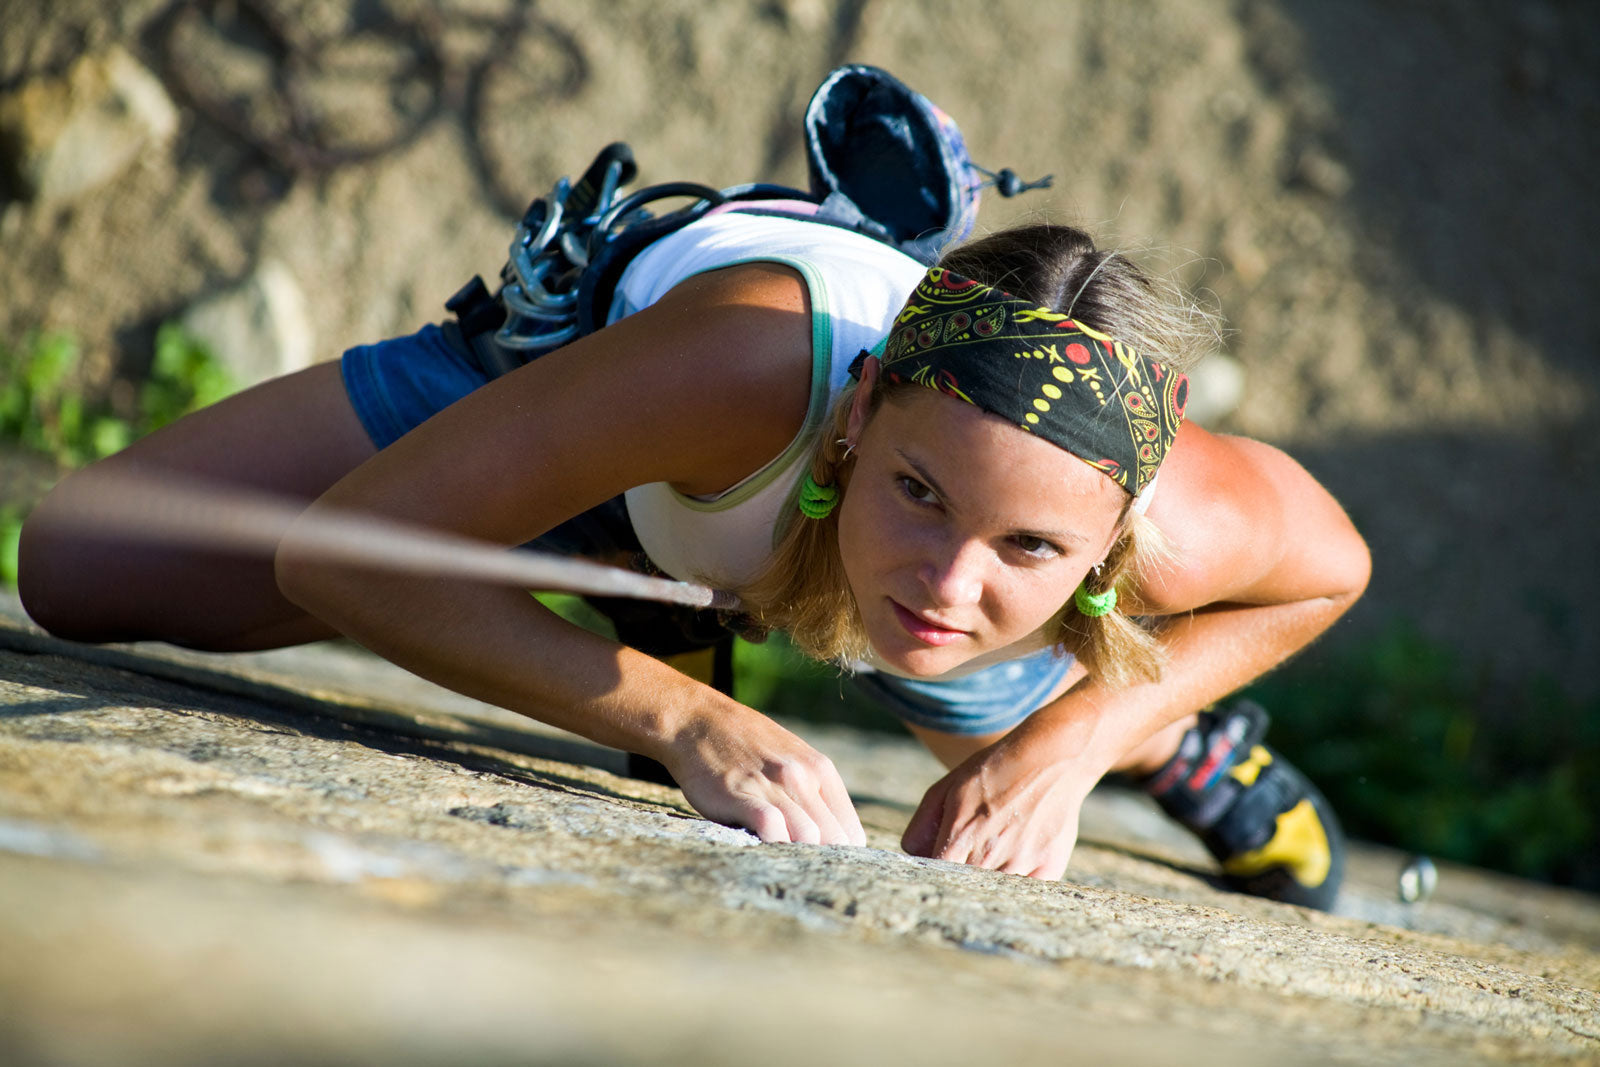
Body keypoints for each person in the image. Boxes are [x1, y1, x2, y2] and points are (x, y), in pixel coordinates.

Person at [16, 175, 1369, 911]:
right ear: (856, 415)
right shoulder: (736, 366)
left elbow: (1332, 572)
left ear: (1110, 536)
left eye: (1030, 546)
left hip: (771, 526)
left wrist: (1063, 749)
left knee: (1018, 696)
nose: (952, 582)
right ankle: (664, 609)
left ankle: (1182, 747)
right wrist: (680, 718)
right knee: (81, 565)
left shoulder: (1153, 507)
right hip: (621, 455)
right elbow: (343, 554)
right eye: (921, 493)